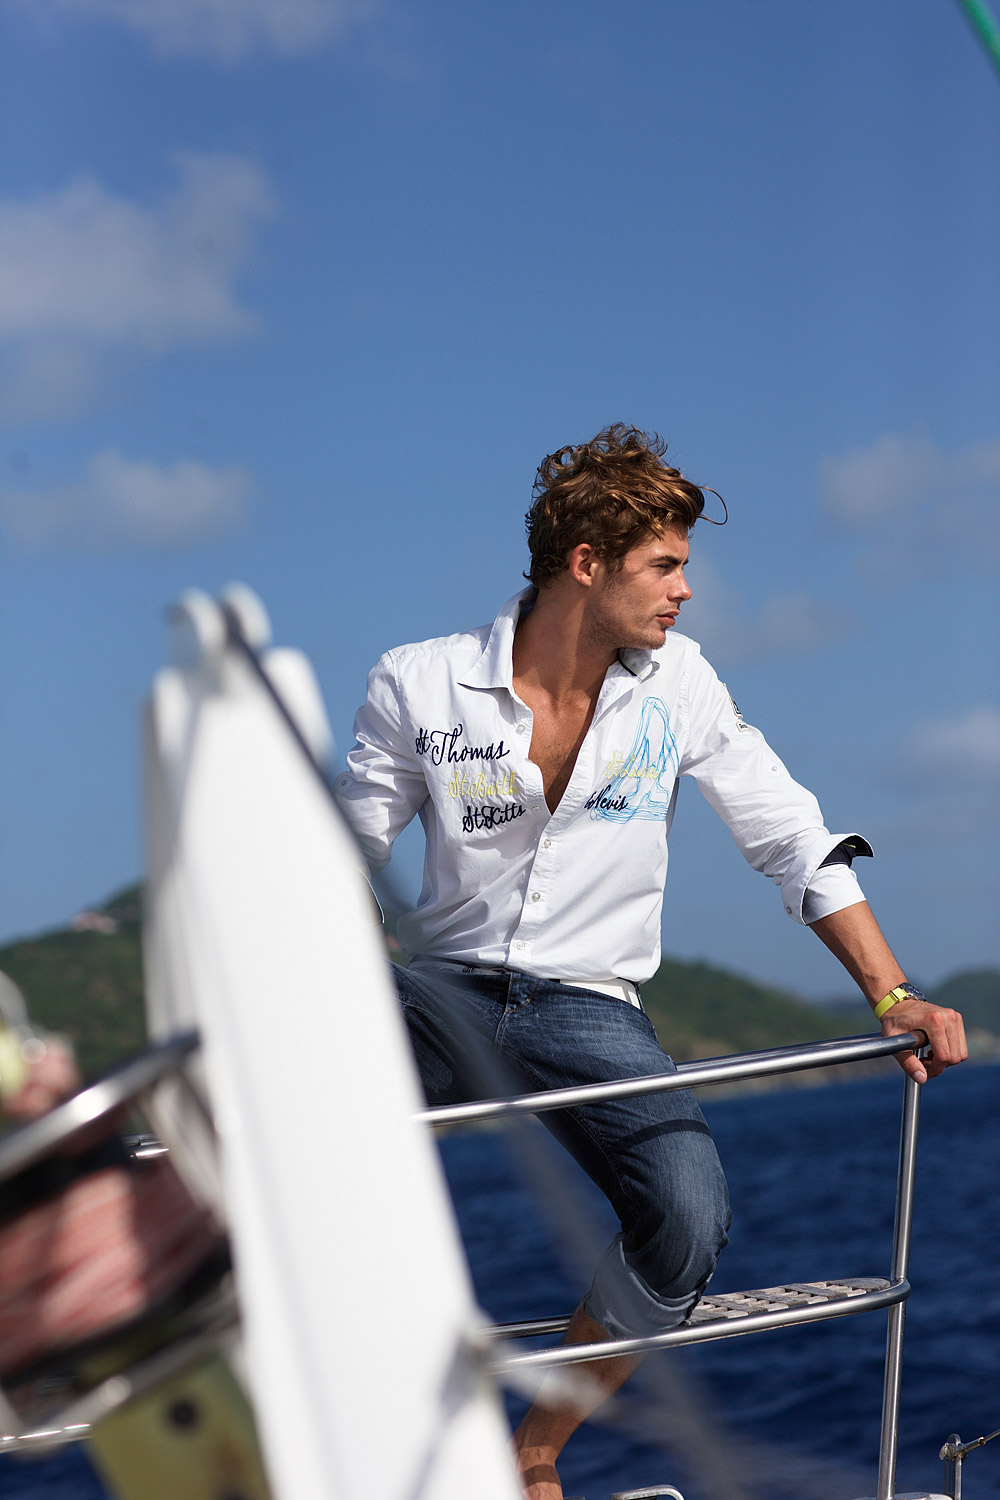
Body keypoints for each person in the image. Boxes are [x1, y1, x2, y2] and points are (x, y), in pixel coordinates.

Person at [337, 423, 967, 1500]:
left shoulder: (683, 684)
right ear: (587, 564)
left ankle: (531, 1453)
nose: (684, 591)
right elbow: (339, 855)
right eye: (664, 566)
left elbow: (789, 836)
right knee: (275, 1143)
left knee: (686, 1216)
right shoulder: (419, 682)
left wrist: (892, 991)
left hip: (588, 1003)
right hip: (437, 993)